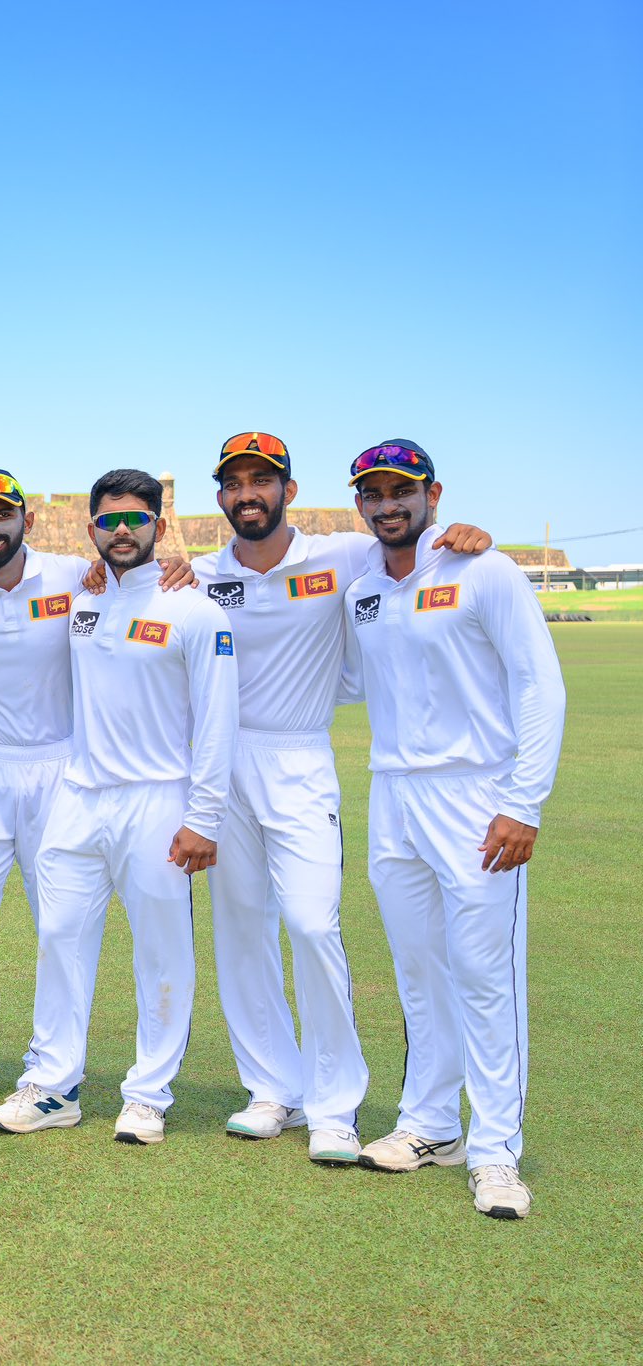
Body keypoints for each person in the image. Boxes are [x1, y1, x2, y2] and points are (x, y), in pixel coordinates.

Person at [194, 432, 488, 1162]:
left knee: (310, 923)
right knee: (241, 930)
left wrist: (463, 536)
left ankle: (334, 1104)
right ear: (222, 497)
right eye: (235, 483)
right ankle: (273, 1089)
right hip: (220, 763)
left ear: (288, 491)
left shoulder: (342, 556)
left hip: (299, 759)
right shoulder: (198, 574)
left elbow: (412, 550)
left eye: (262, 480)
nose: (248, 494)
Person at [342, 440, 564, 1219]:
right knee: (419, 971)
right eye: (373, 494)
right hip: (394, 797)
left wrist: (524, 802)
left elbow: (539, 683)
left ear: (432, 494)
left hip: (477, 794)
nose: (387, 505)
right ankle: (433, 1125)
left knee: (483, 973)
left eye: (401, 490)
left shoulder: (484, 570)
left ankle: (496, 1151)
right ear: (360, 504)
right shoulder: (364, 588)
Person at [0, 468, 237, 1145]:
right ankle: (53, 1086)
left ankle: (148, 1096)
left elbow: (218, 723)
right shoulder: (83, 600)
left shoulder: (195, 610)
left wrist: (203, 818)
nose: (122, 531)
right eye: (109, 521)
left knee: (161, 952)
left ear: (159, 524)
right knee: (59, 939)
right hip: (79, 796)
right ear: (91, 528)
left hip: (158, 801)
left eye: (136, 519)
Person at [0, 469, 96, 1115]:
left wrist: (175, 567)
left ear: (27, 519)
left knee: (60, 923)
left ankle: (55, 1069)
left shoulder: (73, 575)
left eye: (2, 515)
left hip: (61, 767)